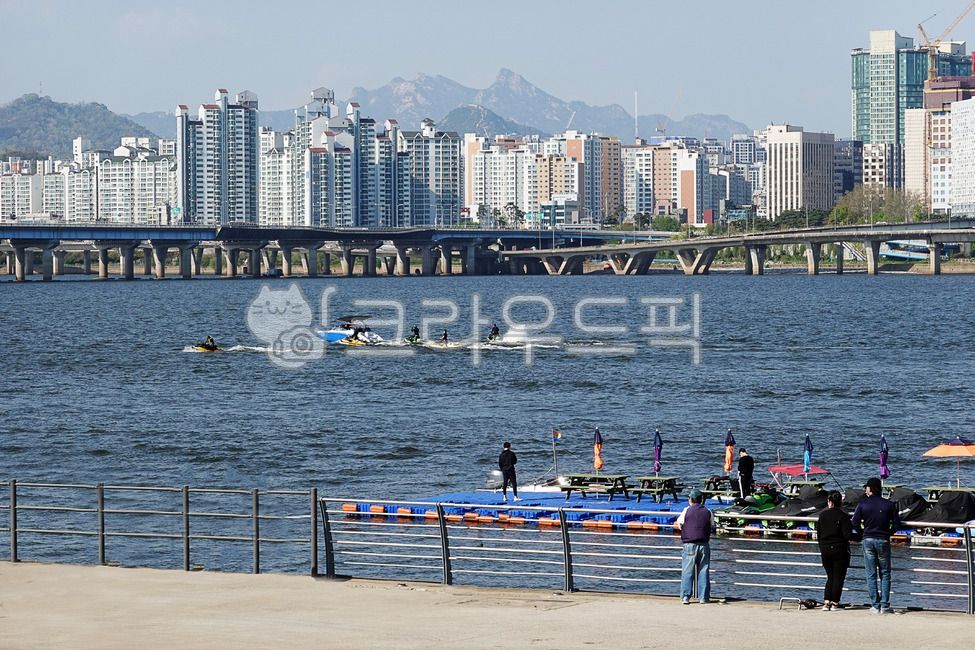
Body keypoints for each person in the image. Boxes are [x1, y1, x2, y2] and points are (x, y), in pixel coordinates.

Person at [851, 477, 900, 614]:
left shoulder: (862, 504)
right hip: (883, 539)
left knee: (871, 574)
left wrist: (863, 533)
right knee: (885, 573)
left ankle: (875, 605)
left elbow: (854, 523)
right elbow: (897, 525)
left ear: (870, 489)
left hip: (868, 540)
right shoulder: (889, 504)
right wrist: (888, 533)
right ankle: (885, 605)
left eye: (866, 487)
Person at [817, 491, 853, 611]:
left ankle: (826, 602)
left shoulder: (822, 515)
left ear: (829, 502)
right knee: (838, 577)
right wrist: (860, 535)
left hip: (825, 549)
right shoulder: (843, 516)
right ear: (840, 502)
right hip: (839, 549)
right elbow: (847, 535)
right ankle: (835, 603)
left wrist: (822, 547)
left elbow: (819, 534)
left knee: (830, 577)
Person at [675, 489, 712, 604]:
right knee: (703, 571)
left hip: (689, 544)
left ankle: (686, 596)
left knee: (687, 571)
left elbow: (679, 523)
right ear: (702, 500)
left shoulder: (686, 510)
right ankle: (703, 597)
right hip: (704, 544)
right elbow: (712, 524)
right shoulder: (708, 511)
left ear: (690, 500)